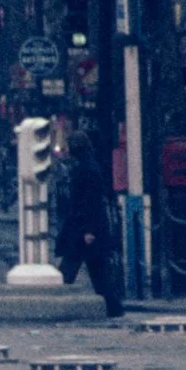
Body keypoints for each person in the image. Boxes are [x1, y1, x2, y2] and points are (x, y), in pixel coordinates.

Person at [54, 130, 121, 317]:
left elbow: (90, 202)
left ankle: (56, 300)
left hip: (84, 229)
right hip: (85, 227)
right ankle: (113, 307)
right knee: (97, 271)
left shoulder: (87, 170)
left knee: (72, 266)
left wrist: (89, 230)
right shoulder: (88, 167)